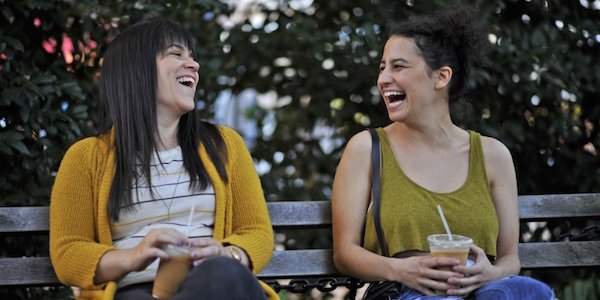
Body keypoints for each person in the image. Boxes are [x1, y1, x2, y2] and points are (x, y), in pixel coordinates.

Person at [331, 6, 555, 300]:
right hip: (401, 291)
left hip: (480, 290)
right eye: (382, 67)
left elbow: (509, 259)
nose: (383, 79)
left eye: (398, 67)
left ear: (441, 77)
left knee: (531, 292)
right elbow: (345, 253)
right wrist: (402, 270)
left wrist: (491, 273)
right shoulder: (366, 148)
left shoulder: (492, 155)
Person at [49, 19, 277, 300]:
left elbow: (257, 233)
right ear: (136, 70)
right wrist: (133, 257)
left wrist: (228, 253)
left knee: (223, 273)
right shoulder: (85, 157)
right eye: (176, 54)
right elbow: (68, 253)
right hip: (133, 291)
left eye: (193, 57)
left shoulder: (225, 145)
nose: (193, 65)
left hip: (216, 285)